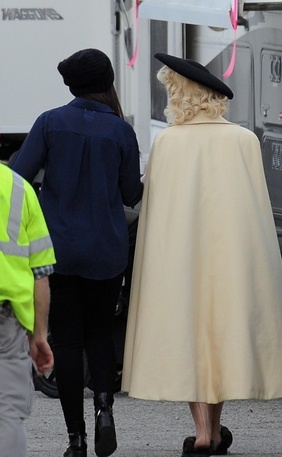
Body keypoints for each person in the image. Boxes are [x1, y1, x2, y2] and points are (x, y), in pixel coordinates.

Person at [122, 53, 282, 457]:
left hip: (180, 260)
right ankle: (214, 431)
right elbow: (256, 210)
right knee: (221, 339)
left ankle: (203, 432)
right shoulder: (243, 140)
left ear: (179, 94)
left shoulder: (167, 142)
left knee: (189, 338)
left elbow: (155, 207)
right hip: (231, 259)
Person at [11, 48, 143, 457]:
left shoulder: (49, 122)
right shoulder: (121, 131)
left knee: (66, 342)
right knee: (100, 334)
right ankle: (104, 408)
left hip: (58, 250)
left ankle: (77, 439)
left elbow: (18, 177)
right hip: (107, 250)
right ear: (107, 82)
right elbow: (131, 194)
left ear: (71, 85)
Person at [0, 163, 55, 457]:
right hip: (7, 322)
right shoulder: (20, 188)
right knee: (7, 412)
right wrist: (39, 335)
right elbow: (40, 273)